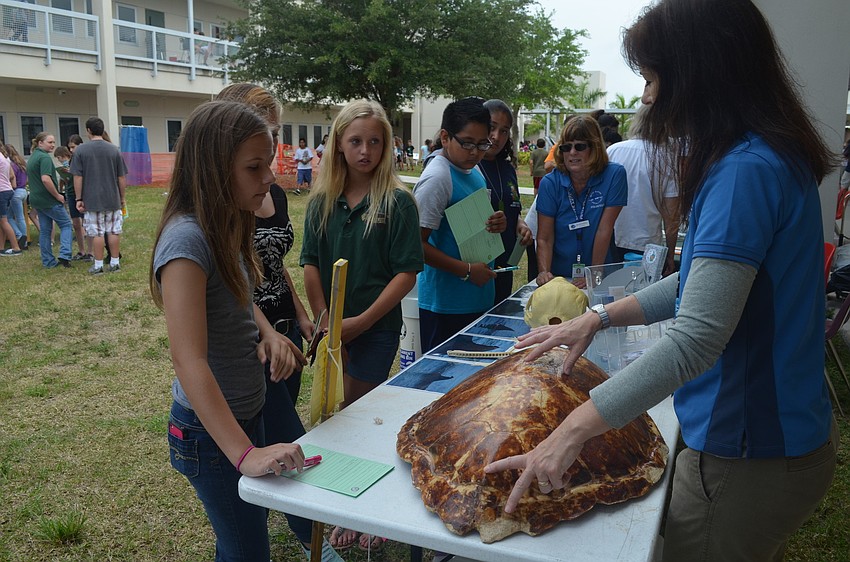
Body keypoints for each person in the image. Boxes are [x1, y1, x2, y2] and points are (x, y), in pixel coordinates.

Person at [485, 1, 838, 560]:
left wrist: (571, 430)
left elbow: (697, 336)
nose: (647, 97)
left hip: (747, 452)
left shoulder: (745, 172)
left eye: (651, 77)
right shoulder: (763, 156)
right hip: (767, 440)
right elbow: (701, 286)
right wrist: (596, 317)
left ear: (700, 74)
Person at [150, 100, 343, 562]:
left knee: (248, 537)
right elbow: (188, 359)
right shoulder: (185, 243)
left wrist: (268, 332)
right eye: (255, 167)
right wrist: (243, 454)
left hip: (246, 410)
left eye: (269, 163)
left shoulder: (225, 223)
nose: (270, 178)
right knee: (246, 548)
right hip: (211, 433)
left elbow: (239, 294)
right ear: (214, 169)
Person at [300, 99, 423, 552]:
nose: (365, 150)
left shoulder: (397, 202)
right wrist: (328, 320)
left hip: (375, 328)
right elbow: (311, 263)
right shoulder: (322, 202)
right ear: (338, 145)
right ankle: (340, 499)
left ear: (387, 146)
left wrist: (361, 321)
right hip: (331, 332)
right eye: (355, 141)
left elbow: (406, 271)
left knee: (357, 414)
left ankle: (366, 509)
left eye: (375, 141)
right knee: (331, 415)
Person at [214, 82, 315, 446]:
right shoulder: (230, 200)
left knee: (278, 443)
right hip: (255, 339)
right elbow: (233, 277)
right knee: (289, 443)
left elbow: (274, 263)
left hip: (286, 332)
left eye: (275, 134)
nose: (270, 146)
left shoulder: (272, 191)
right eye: (265, 132)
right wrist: (268, 332)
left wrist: (301, 316)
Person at [413, 97, 507, 352]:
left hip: (476, 299)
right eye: (467, 143)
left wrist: (497, 222)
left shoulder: (473, 169)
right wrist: (465, 270)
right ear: (445, 137)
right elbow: (414, 246)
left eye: (482, 144)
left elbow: (472, 221)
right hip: (446, 306)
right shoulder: (438, 177)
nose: (475, 152)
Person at [535, 115, 627, 289]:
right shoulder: (550, 183)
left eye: (580, 146)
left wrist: (594, 274)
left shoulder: (614, 175)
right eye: (566, 147)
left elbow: (604, 230)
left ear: (595, 147)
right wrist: (544, 273)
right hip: (559, 277)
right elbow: (545, 238)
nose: (572, 153)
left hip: (599, 274)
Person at [607, 105, 679, 274]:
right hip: (647, 245)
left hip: (609, 239)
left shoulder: (613, 151)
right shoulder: (667, 158)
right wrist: (669, 253)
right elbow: (671, 218)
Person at [479, 99, 532, 305]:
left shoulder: (508, 169)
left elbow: (512, 205)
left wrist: (520, 223)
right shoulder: (469, 166)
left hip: (506, 264)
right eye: (491, 128)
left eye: (504, 131)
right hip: (479, 266)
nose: (496, 137)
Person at [71, 117, 128, 275]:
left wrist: (78, 198)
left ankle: (98, 265)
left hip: (92, 199)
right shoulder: (114, 149)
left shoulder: (81, 150)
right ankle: (115, 262)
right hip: (112, 198)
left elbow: (77, 177)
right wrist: (122, 198)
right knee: (113, 231)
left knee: (96, 232)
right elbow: (121, 177)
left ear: (88, 130)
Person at [27, 132, 73, 269]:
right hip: (49, 200)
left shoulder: (33, 157)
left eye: (53, 142)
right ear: (40, 143)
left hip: (37, 200)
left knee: (45, 230)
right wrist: (58, 195)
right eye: (50, 142)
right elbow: (46, 179)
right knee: (66, 225)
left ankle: (48, 261)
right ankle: (65, 254)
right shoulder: (44, 158)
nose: (53, 145)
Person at [65, 134, 92, 261]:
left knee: (87, 223)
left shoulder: (84, 157)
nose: (71, 150)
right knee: (76, 223)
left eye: (73, 147)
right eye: (69, 147)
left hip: (83, 193)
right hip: (71, 192)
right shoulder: (71, 159)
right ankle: (81, 250)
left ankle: (90, 251)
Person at [3, 144, 29, 249]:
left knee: (8, 217)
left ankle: (20, 235)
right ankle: (25, 241)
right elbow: (27, 179)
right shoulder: (21, 163)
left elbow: (11, 179)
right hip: (23, 191)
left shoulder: (10, 165)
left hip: (15, 192)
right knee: (20, 217)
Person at [0, 145, 23, 255]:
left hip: (1, 192)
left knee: (4, 221)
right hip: (8, 190)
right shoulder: (4, 158)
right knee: (2, 221)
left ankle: (15, 247)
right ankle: (1, 247)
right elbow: (11, 175)